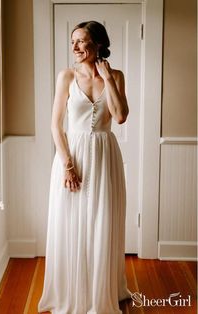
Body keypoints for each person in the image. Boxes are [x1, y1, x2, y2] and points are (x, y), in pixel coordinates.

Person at [38, 21, 131, 314]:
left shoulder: (115, 75)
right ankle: (71, 291)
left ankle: (102, 291)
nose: (76, 47)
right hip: (72, 156)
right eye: (73, 41)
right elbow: (55, 125)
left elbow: (120, 117)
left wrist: (108, 78)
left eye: (82, 41)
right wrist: (67, 165)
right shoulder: (66, 76)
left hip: (104, 156)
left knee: (102, 221)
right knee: (70, 221)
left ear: (99, 44)